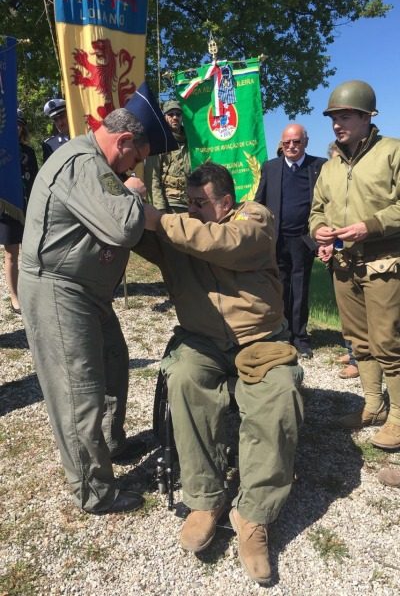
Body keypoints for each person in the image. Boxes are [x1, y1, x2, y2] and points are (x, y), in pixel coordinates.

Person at [131, 162, 304, 585]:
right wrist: (128, 199)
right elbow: (137, 234)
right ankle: (205, 498)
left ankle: (253, 514)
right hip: (203, 340)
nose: (189, 210)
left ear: (225, 202)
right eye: (186, 202)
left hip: (259, 340)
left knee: (279, 393)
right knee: (184, 377)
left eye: (199, 202)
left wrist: (160, 218)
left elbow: (222, 243)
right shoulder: (184, 227)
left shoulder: (253, 218)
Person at [18, 107, 153, 515]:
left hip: (85, 289)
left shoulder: (95, 162)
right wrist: (134, 190)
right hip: (59, 288)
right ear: (123, 141)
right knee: (79, 392)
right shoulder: (82, 163)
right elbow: (125, 228)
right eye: (136, 158)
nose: (136, 167)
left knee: (114, 360)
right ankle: (94, 490)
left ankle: (112, 444)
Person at [309, 80, 400, 449]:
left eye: (344, 116)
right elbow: (317, 211)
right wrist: (321, 234)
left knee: (388, 343)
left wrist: (371, 226)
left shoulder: (392, 152)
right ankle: (374, 406)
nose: (336, 124)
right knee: (359, 341)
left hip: (384, 263)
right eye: (333, 117)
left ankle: (398, 418)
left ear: (366, 117)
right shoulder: (330, 167)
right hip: (344, 267)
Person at [255, 124, 327, 358]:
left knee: (300, 289)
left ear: (305, 141)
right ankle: (282, 334)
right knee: (279, 288)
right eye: (287, 142)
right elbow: (260, 202)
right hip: (277, 239)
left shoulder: (318, 166)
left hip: (303, 240)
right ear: (281, 144)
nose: (291, 146)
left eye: (296, 141)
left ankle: (301, 338)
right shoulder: (271, 168)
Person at [322, 142, 359, 380]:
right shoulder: (330, 181)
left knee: (360, 312)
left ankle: (359, 360)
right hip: (337, 254)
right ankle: (351, 349)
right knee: (347, 310)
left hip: (361, 252)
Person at [0, 109, 38, 313]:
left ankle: (31, 292)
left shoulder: (29, 152)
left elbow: (36, 181)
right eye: (12, 124)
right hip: (8, 211)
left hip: (29, 208)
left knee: (33, 254)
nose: (16, 127)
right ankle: (15, 297)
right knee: (11, 254)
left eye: (19, 124)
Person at [144, 99, 190, 213]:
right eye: (171, 114)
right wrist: (160, 209)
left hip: (189, 203)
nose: (175, 117)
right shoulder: (159, 142)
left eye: (178, 114)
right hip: (169, 204)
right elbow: (152, 178)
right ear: (165, 117)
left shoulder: (190, 141)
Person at [42, 98, 70, 163]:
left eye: (62, 117)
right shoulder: (49, 145)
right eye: (56, 120)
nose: (60, 123)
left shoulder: (82, 134)